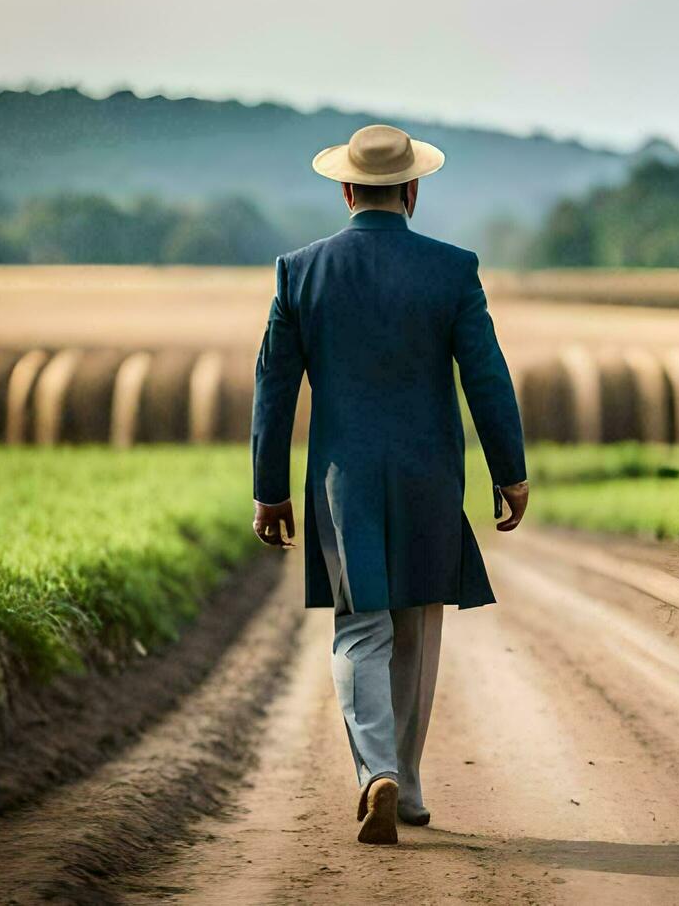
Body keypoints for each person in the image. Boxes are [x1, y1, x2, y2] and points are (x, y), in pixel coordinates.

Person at [250, 124, 529, 845]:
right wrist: (511, 471)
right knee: (417, 628)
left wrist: (269, 489)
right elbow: (487, 377)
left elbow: (274, 389)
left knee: (359, 630)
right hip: (429, 475)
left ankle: (376, 768)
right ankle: (406, 782)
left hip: (343, 482)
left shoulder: (299, 272)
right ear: (413, 191)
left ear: (346, 190)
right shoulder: (452, 269)